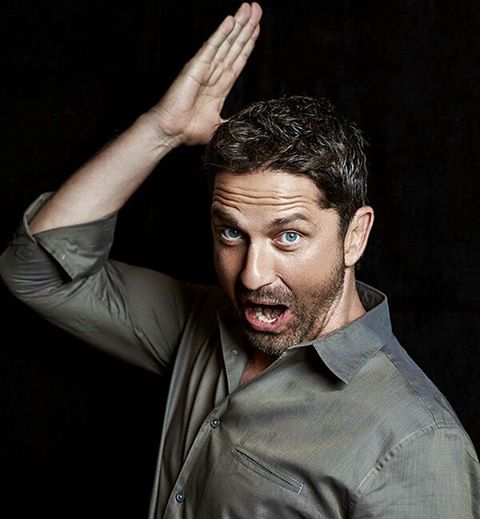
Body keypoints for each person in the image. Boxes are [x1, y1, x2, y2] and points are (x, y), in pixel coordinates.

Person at [1, 2, 479, 517]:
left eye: (288, 237)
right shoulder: (204, 324)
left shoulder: (416, 443)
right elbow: (37, 271)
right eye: (231, 232)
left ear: (354, 236)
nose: (251, 275)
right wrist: (162, 131)